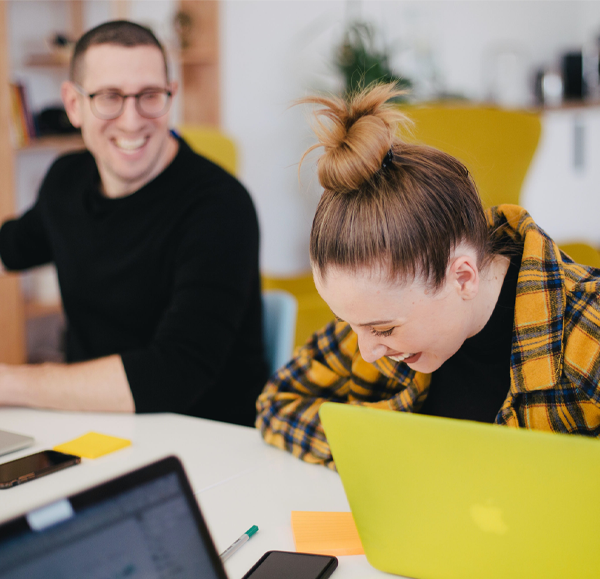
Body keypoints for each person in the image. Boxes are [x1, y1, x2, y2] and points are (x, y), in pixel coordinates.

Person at [256, 83, 600, 469]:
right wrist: (390, 452)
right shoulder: (375, 314)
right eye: (348, 323)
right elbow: (277, 403)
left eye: (383, 330)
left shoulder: (588, 337)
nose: (367, 350)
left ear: (464, 277)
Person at [0, 20, 267, 426]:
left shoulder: (220, 206)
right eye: (109, 97)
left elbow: (174, 374)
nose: (131, 121)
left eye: (149, 96)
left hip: (204, 440)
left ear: (171, 96)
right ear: (74, 105)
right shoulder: (66, 181)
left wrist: (9, 384)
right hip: (91, 426)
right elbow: (13, 247)